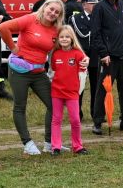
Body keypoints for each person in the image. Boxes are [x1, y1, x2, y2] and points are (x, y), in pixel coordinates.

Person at [0, 0, 65, 155]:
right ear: (45, 7)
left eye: (57, 12)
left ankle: (50, 143)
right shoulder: (30, 19)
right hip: (19, 71)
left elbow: (64, 46)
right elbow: (3, 27)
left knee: (54, 105)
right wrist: (13, 47)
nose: (53, 13)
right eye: (51, 9)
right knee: (20, 106)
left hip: (39, 72)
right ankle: (27, 143)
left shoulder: (57, 29)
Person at [91, 0, 123, 135]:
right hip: (108, 57)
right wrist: (103, 53)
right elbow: (96, 33)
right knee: (103, 90)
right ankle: (98, 122)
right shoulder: (99, 8)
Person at [51, 25, 88, 155]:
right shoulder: (55, 54)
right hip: (57, 92)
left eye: (67, 37)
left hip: (72, 93)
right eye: (61, 37)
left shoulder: (78, 54)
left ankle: (77, 146)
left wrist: (79, 90)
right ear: (58, 39)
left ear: (72, 39)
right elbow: (53, 71)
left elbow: (83, 74)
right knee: (56, 119)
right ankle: (55, 146)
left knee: (75, 120)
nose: (64, 39)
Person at [69, 0, 99, 120]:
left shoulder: (99, 17)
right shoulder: (76, 18)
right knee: (79, 86)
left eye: (95, 4)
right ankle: (77, 113)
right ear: (84, 5)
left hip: (96, 55)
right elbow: (74, 36)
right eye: (92, 4)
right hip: (81, 56)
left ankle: (96, 112)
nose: (94, 6)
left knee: (96, 87)